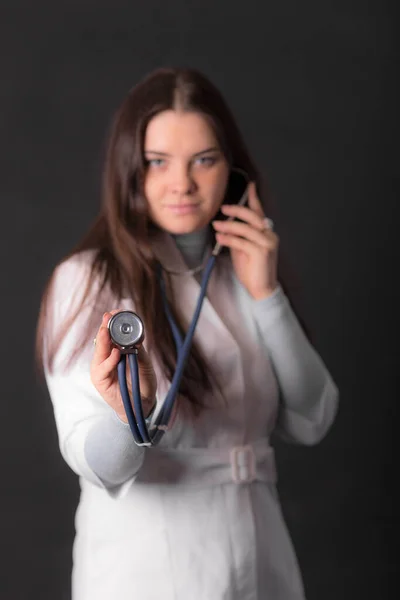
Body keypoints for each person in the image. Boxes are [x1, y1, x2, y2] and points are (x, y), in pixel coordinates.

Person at [36, 66, 339, 600]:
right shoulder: (87, 280)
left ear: (233, 168)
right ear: (130, 168)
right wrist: (129, 411)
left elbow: (314, 418)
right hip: (149, 573)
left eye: (204, 159)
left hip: (263, 564)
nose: (182, 184)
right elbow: (95, 462)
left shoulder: (241, 272)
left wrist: (267, 296)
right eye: (158, 162)